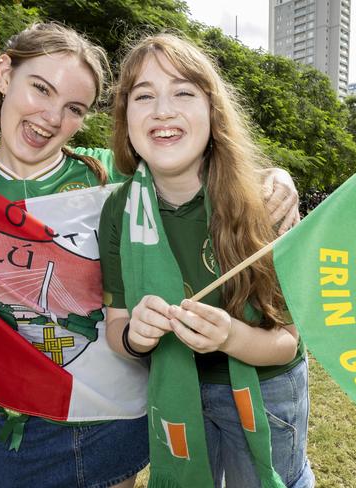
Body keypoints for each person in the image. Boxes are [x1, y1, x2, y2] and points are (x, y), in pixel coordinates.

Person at [0, 23, 302, 488]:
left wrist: (278, 178)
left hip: (115, 419)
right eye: (40, 89)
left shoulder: (109, 174)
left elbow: (197, 160)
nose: (52, 117)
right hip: (21, 423)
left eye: (74, 108)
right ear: (6, 72)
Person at [99, 34, 314, 487]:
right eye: (143, 96)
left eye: (183, 92)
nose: (162, 110)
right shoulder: (118, 211)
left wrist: (231, 336)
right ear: (125, 119)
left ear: (213, 112)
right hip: (177, 390)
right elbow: (116, 329)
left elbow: (286, 342)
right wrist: (136, 337)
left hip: (266, 388)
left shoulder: (264, 203)